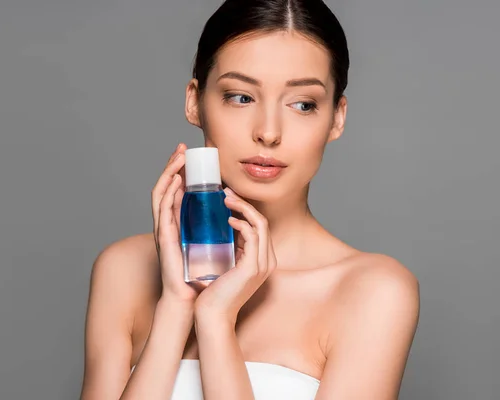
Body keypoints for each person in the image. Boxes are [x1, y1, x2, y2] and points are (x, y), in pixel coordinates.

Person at [80, 0, 420, 399]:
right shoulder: (124, 271)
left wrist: (215, 322)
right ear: (195, 101)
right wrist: (175, 307)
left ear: (337, 118)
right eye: (241, 97)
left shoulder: (373, 292)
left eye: (303, 104)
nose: (269, 132)